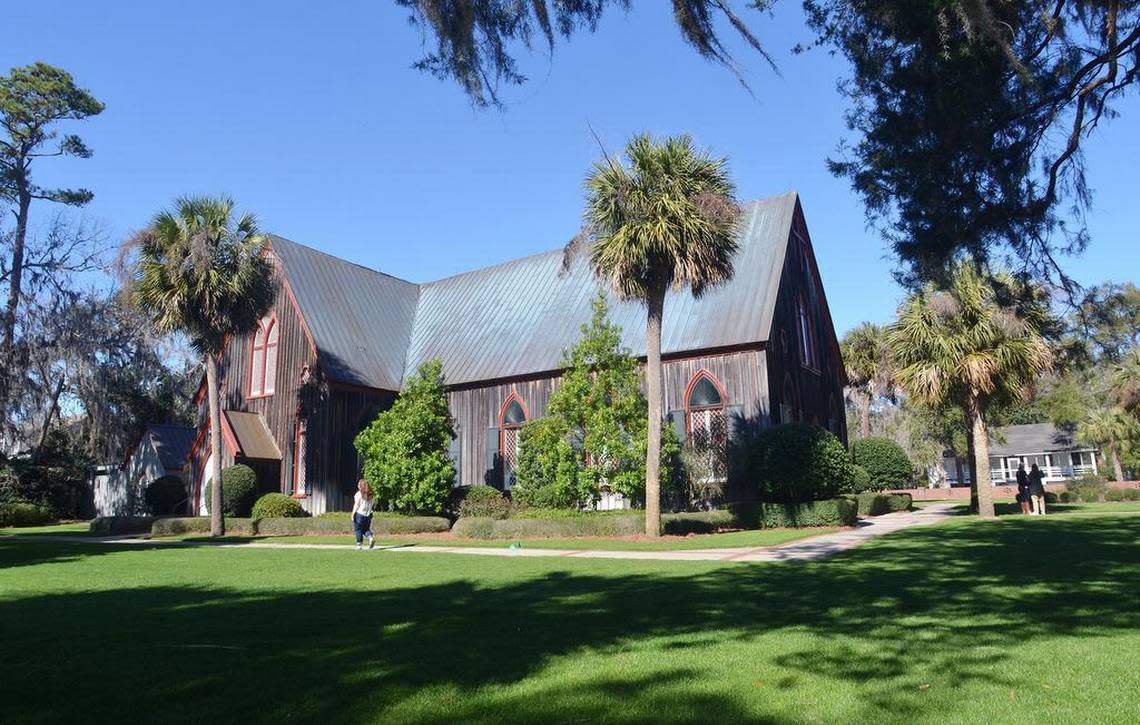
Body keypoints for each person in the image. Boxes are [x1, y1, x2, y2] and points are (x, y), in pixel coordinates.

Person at [351, 479, 375, 550]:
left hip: (360, 514)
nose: (358, 486)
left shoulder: (358, 494)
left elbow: (356, 505)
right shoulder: (371, 495)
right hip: (369, 514)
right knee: (366, 529)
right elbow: (372, 504)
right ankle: (370, 538)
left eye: (359, 485)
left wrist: (353, 514)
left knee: (358, 530)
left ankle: (359, 545)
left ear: (361, 486)